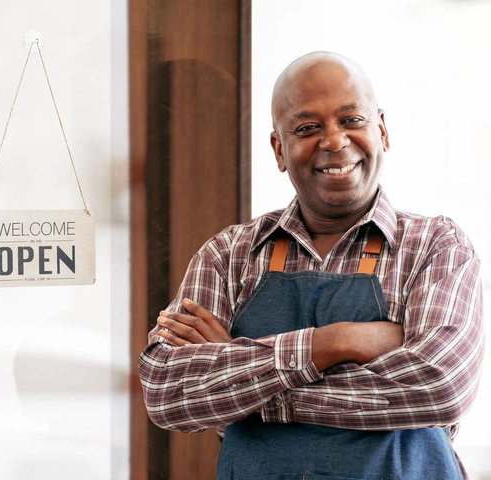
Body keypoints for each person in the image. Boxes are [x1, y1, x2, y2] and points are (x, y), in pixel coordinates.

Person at [138, 51, 485, 479]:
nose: (335, 141)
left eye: (351, 120)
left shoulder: (436, 246)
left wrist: (247, 389)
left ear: (381, 129)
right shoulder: (228, 256)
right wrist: (335, 342)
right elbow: (167, 393)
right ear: (279, 149)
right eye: (307, 128)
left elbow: (438, 386)